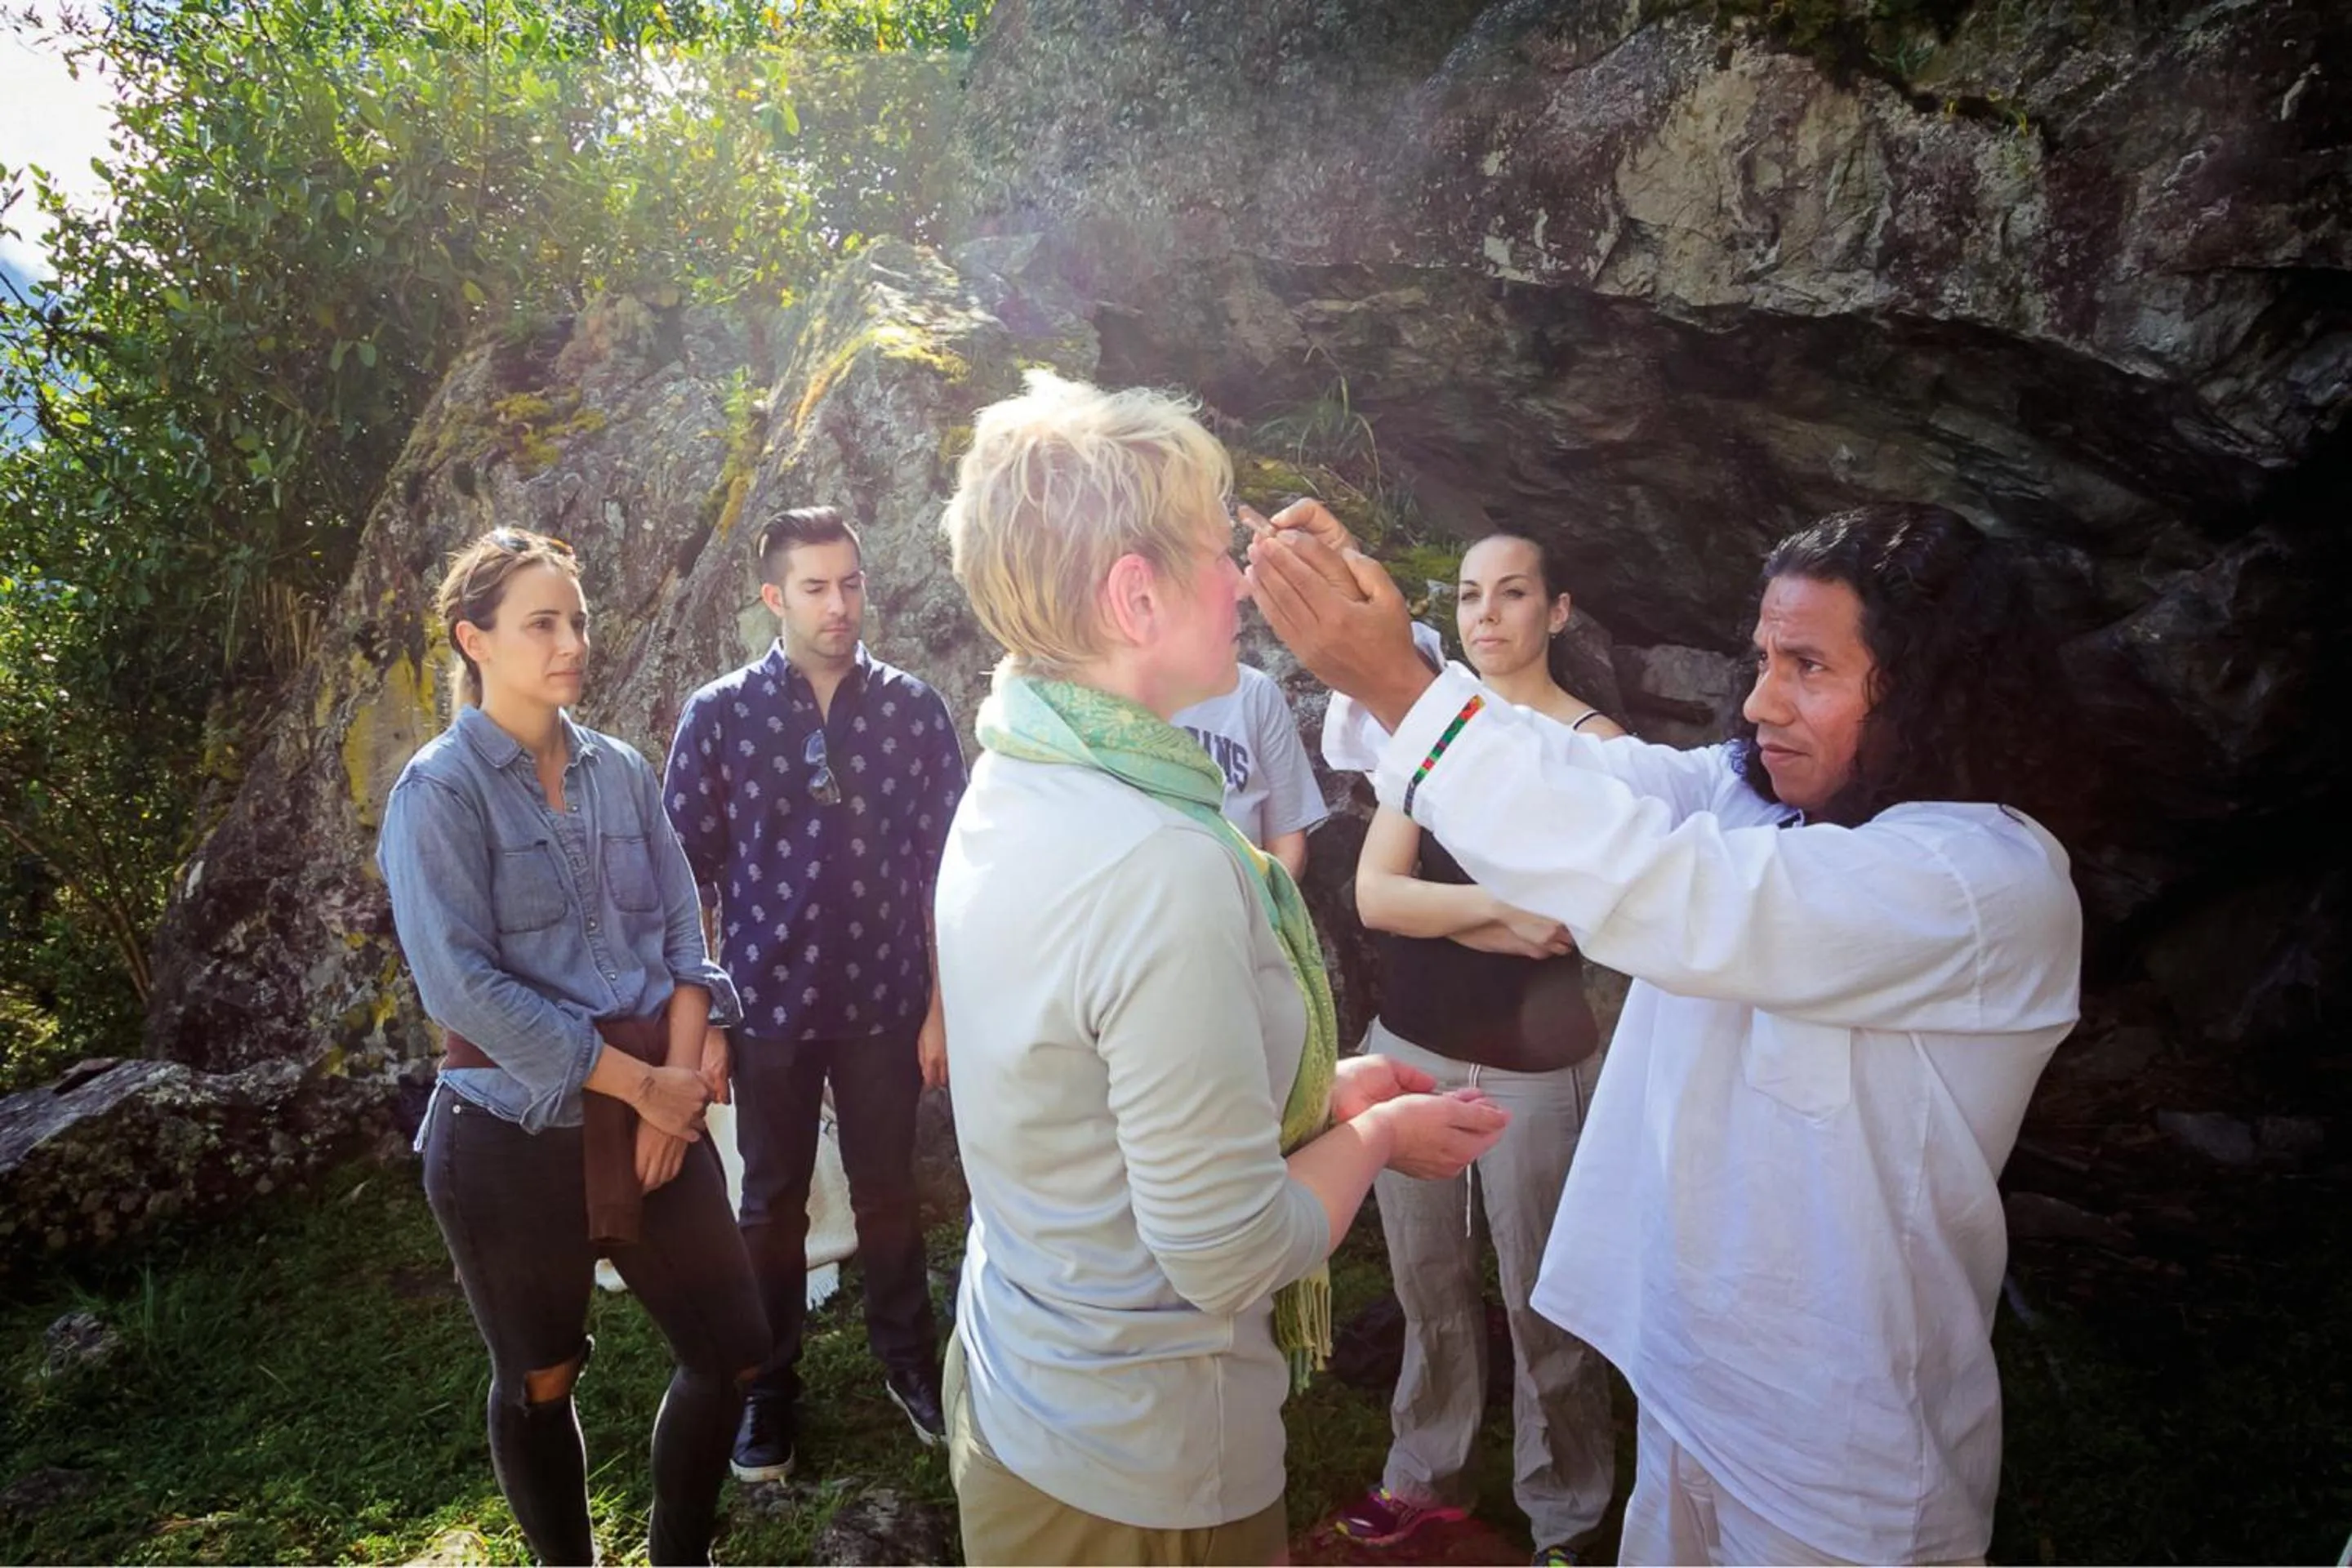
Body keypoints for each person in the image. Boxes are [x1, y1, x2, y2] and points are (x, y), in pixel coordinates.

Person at [1250, 501, 2083, 1566]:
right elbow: (1593, 787)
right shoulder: (1764, 803)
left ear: (1931, 688)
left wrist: (1401, 691)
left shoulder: (1983, 883)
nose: (1762, 703)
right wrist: (1388, 654)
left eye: (1809, 669)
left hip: (1845, 1454)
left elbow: (1675, 891)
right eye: (1762, 659)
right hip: (1695, 1391)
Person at [933, 369, 1514, 1567]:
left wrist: (1323, 1089)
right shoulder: (1160, 859)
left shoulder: (1017, 768)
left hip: (1027, 1390)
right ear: (1135, 597)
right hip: (1142, 1470)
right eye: (1215, 550)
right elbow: (1231, 1252)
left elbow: (1101, 1083)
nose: (1240, 581)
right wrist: (1375, 1143)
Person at [379, 526, 766, 1566]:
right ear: (476, 640)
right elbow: (463, 987)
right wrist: (640, 1085)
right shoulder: (439, 792)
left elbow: (687, 934)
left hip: (656, 1108)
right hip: (510, 1137)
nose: (571, 642)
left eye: (578, 620)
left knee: (732, 1352)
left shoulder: (623, 772)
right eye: (541, 623)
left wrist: (677, 1085)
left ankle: (679, 1555)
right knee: (543, 1380)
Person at [1334, 532, 1623, 1566]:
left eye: (1512, 593)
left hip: (1533, 1068)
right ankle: (1424, 1476)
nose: (1487, 614)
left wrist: (1450, 910)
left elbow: (1573, 920)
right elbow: (1375, 895)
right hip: (1410, 1046)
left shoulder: (1594, 745)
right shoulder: (1436, 727)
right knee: (1428, 1286)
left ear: (1559, 610)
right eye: (1467, 595)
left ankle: (1568, 1516)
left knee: (1545, 1301)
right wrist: (1495, 904)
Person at [663, 505, 967, 1479]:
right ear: (772, 598)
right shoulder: (720, 715)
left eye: (851, 583)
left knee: (888, 1194)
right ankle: (767, 1388)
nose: (839, 606)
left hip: (887, 997)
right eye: (814, 587)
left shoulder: (914, 709)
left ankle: (909, 1361)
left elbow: (947, 870)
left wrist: (940, 1005)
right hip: (766, 1006)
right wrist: (703, 1017)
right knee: (771, 1203)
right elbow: (682, 879)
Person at [1172, 661, 1328, 878]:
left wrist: (1271, 908)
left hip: (1243, 899)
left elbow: (1287, 839)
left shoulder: (1253, 692)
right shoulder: (1114, 704)